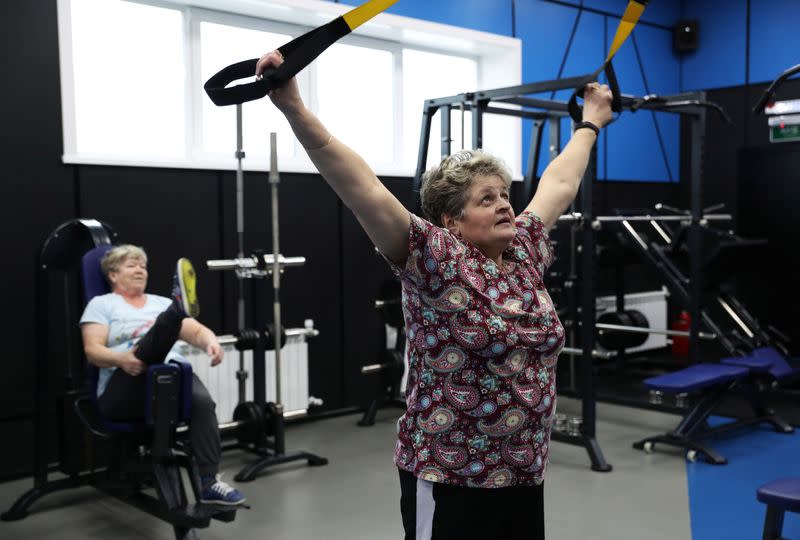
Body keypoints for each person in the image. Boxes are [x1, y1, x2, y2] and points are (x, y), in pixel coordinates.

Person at [257, 49, 612, 539]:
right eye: (487, 199)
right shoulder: (436, 258)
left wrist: (591, 122)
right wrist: (294, 107)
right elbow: (361, 188)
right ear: (452, 220)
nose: (506, 204)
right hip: (452, 478)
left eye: (505, 194)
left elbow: (561, 180)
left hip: (524, 471)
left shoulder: (524, 252)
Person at [80, 245, 246, 506]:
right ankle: (175, 316)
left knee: (202, 403)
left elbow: (197, 331)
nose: (140, 270)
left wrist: (210, 342)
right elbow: (92, 350)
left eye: (143, 266)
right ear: (112, 275)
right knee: (152, 348)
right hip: (123, 388)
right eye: (131, 265)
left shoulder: (160, 302)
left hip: (169, 379)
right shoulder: (102, 304)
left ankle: (209, 483)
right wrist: (121, 359)